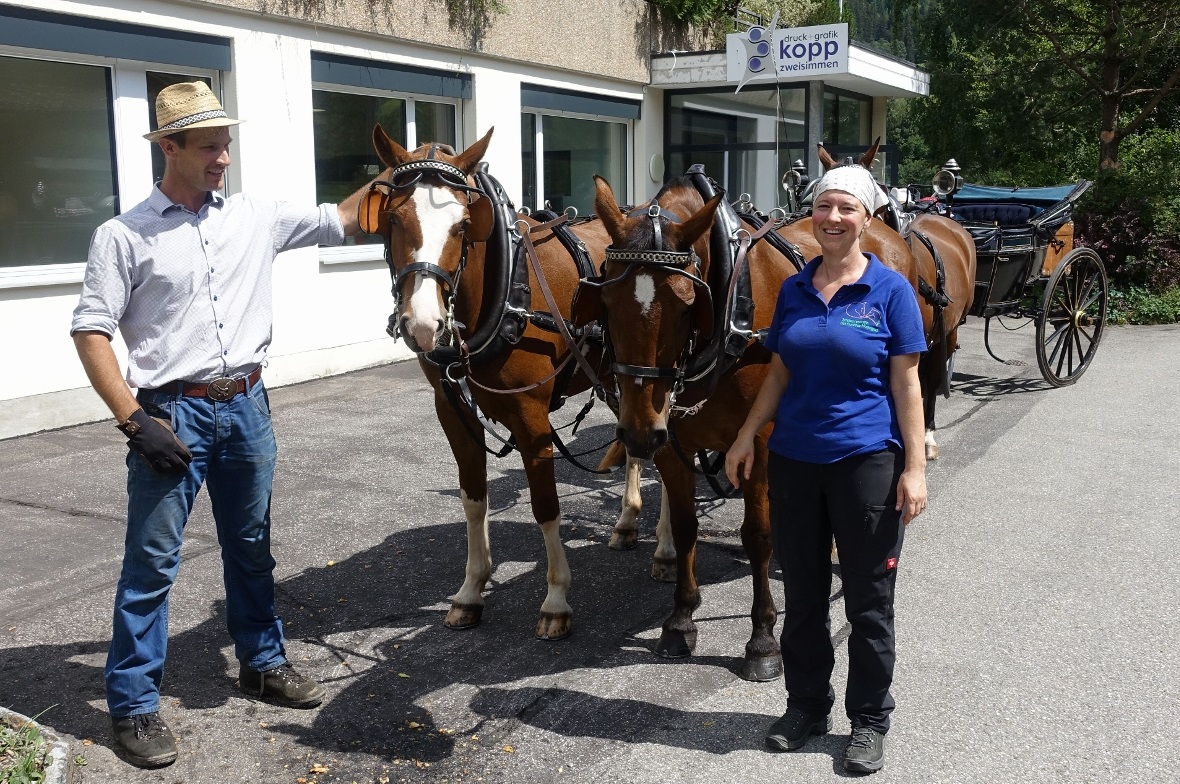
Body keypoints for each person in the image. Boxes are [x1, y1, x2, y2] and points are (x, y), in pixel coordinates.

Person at [70, 81, 376, 768]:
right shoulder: (123, 236)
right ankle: (133, 704)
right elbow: (91, 331)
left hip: (247, 407)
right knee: (151, 563)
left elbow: (344, 218)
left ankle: (262, 663)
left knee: (250, 545)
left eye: (226, 144)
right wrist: (132, 421)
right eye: (209, 147)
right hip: (169, 416)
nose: (223, 159)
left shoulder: (255, 217)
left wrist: (407, 168)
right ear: (169, 148)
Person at [725, 165, 928, 775]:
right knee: (804, 595)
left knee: (869, 600)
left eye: (846, 208)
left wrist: (914, 467)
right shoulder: (794, 289)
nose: (833, 218)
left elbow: (907, 384)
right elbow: (781, 372)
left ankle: (868, 721)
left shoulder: (890, 291)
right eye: (824, 207)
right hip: (795, 460)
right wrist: (744, 436)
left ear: (867, 218)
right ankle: (808, 705)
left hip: (866, 461)